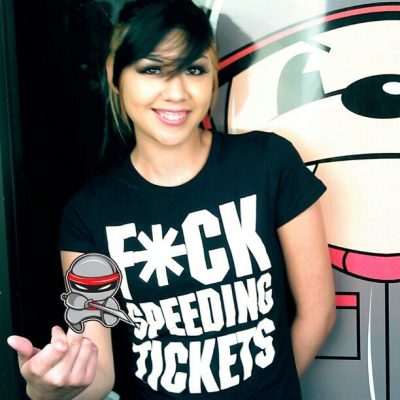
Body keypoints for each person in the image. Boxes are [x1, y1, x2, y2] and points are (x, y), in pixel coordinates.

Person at [7, 0, 336, 398]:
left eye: (194, 69)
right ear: (115, 75)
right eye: (152, 69)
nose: (177, 92)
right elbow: (99, 370)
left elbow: (318, 312)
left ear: (213, 77)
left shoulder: (269, 163)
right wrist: (47, 391)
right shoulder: (88, 216)